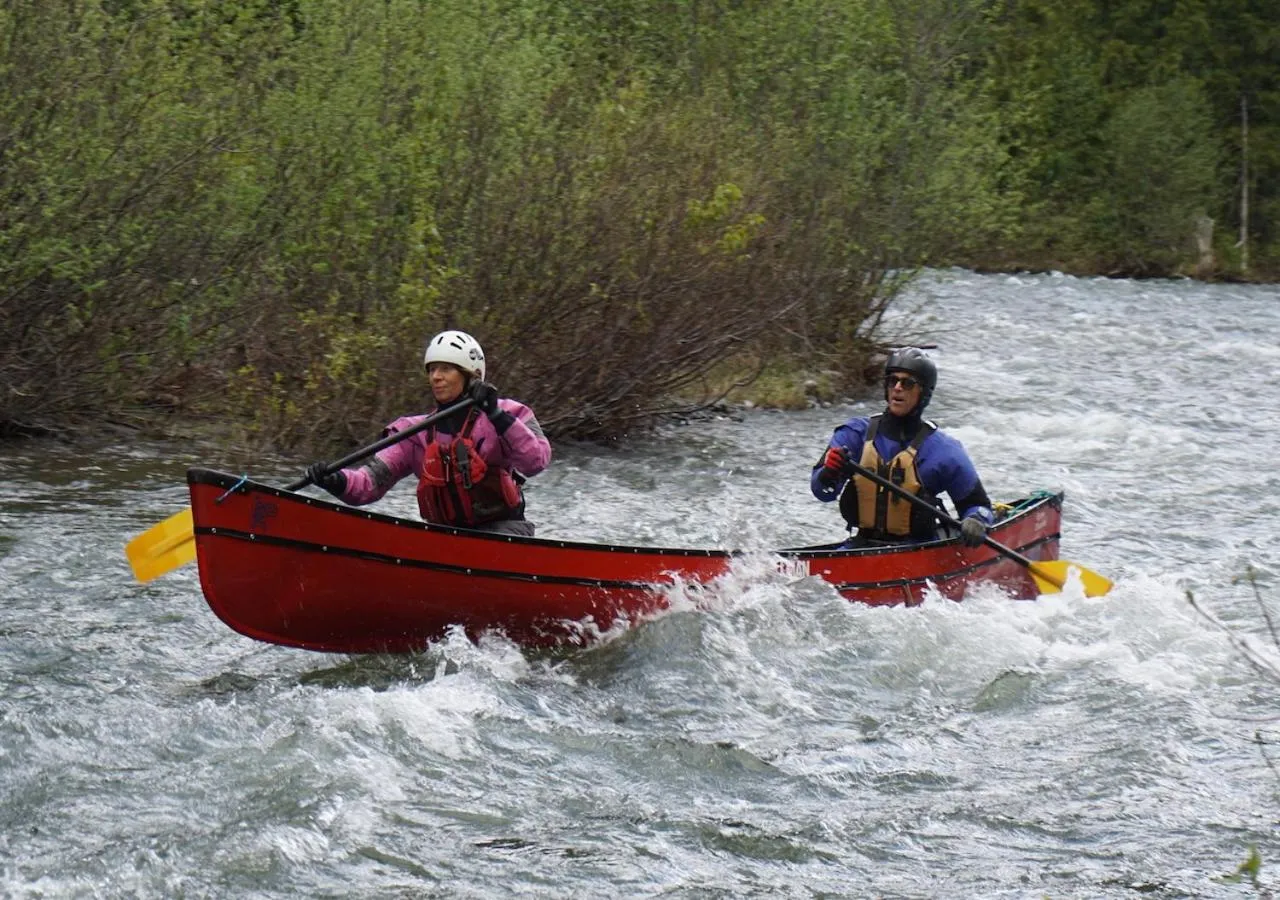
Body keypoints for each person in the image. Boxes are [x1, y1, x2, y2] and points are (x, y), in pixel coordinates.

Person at [305, 330, 552, 536]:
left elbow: (536, 462)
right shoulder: (414, 434)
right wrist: (334, 480)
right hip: (445, 539)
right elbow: (368, 485)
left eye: (446, 369)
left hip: (504, 532)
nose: (436, 377)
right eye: (432, 369)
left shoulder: (511, 415)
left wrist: (497, 415)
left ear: (471, 376)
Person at [810, 347, 994, 548]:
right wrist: (830, 472)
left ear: (924, 392)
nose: (897, 387)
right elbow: (823, 493)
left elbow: (979, 506)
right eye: (892, 381)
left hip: (920, 552)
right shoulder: (854, 434)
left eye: (907, 383)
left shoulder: (945, 451)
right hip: (860, 547)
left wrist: (976, 520)